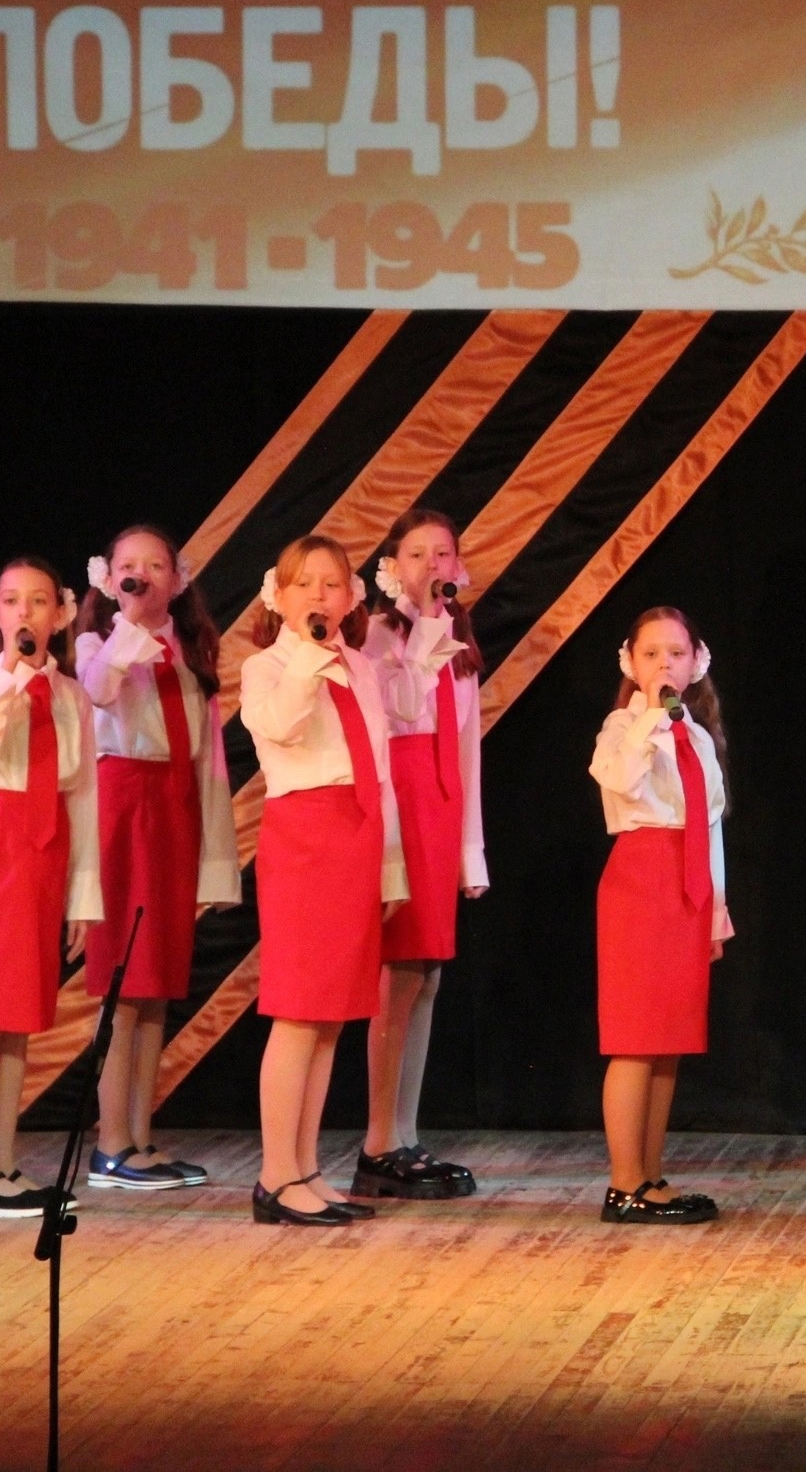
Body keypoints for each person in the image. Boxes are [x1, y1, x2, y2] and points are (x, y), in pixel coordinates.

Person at [239, 535, 407, 1226]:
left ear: (351, 597)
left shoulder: (360, 665)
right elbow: (279, 726)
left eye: (332, 583)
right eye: (304, 583)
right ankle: (275, 1175)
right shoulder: (267, 667)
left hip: (356, 834)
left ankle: (305, 1167)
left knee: (332, 1014)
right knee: (298, 1009)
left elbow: (380, 766)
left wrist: (390, 866)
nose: (319, 594)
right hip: (304, 837)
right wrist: (309, 657)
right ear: (278, 595)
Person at [72, 525, 239, 1192]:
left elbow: (209, 756)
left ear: (178, 578)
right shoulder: (97, 643)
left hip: (174, 812)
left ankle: (139, 1138)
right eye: (128, 566)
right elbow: (98, 690)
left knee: (158, 985)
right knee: (124, 983)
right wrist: (129, 625)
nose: (141, 574)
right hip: (124, 810)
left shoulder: (190, 649)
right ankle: (111, 1143)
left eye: (155, 565)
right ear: (109, 579)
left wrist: (215, 857)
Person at [0, 558, 101, 1218]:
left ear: (59, 614)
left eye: (38, 601)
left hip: (47, 847)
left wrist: (83, 898)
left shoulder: (71, 696)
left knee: (21, 1015)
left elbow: (83, 795)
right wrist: (12, 673)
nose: (25, 613)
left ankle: (3, 1163)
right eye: (12, 601)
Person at [352, 510, 490, 1202]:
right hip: (400, 811)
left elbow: (467, 752)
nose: (431, 565)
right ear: (392, 566)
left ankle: (404, 1131)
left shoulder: (457, 646)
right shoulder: (380, 637)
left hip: (440, 809)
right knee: (398, 977)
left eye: (442, 553)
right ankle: (378, 1139)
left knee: (427, 976)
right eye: (416, 554)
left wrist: (471, 852)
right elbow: (393, 721)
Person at [587, 606, 735, 1226]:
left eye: (675, 653)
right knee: (636, 1039)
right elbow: (618, 779)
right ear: (632, 662)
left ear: (695, 662)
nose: (664, 665)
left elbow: (709, 822)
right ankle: (623, 1184)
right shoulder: (624, 726)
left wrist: (716, 909)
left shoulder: (695, 735)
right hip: (641, 882)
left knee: (668, 1040)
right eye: (651, 654)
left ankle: (649, 1175)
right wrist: (650, 716)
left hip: (686, 887)